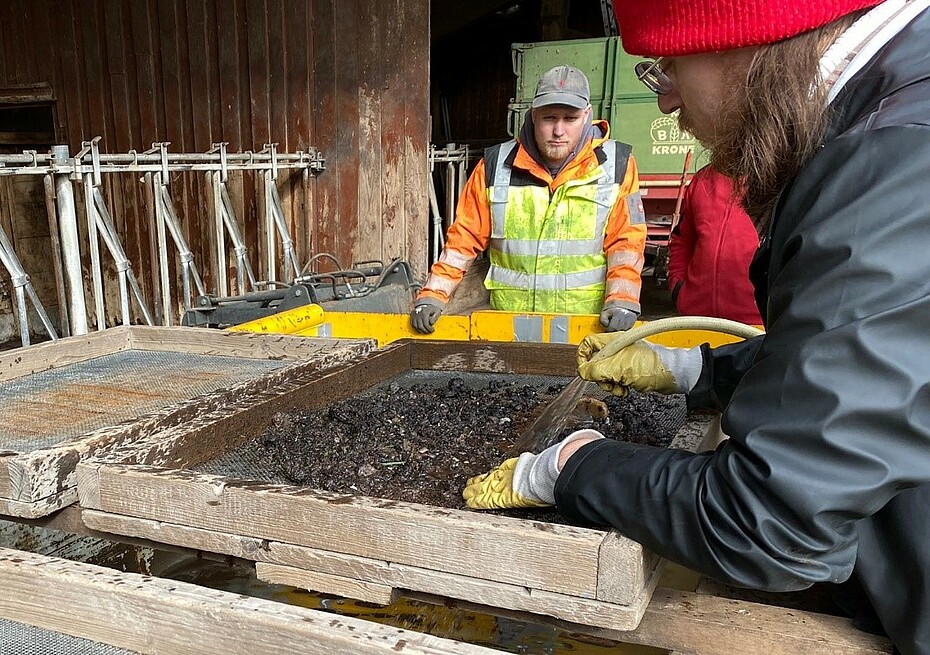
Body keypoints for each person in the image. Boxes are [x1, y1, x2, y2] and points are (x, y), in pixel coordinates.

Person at [463, 1, 930, 652]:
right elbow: (871, 362)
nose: (664, 100)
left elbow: (771, 522)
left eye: (668, 65)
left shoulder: (890, 157)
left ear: (738, 34)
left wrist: (574, 467)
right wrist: (699, 371)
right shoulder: (897, 114)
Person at [410, 65, 647, 334]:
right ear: (534, 115)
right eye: (549, 118)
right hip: (509, 324)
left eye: (569, 119)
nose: (559, 130)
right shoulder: (495, 165)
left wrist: (623, 300)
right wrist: (433, 294)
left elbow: (626, 241)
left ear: (587, 116)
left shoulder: (616, 165)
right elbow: (463, 239)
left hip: (584, 327)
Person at [667, 164, 762, 324]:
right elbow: (683, 239)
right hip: (696, 320)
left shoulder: (778, 178)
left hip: (757, 324)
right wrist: (678, 287)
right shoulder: (703, 179)